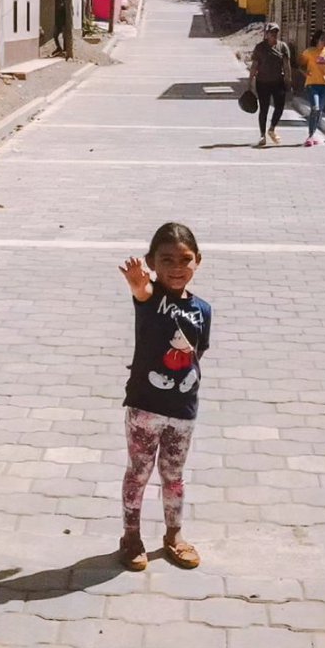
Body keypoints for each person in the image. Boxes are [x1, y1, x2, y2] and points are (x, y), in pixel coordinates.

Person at [116, 223, 212, 572]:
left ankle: (174, 535)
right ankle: (131, 537)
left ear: (198, 261)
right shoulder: (150, 297)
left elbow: (199, 353)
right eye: (166, 259)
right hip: (145, 407)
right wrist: (138, 284)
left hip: (183, 410)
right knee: (138, 473)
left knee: (174, 475)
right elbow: (142, 291)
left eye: (185, 259)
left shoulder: (203, 309)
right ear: (152, 263)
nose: (176, 267)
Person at [248, 22, 293, 147]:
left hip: (278, 82)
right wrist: (250, 82)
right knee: (264, 108)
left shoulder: (283, 47)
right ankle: (262, 135)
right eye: (272, 33)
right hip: (262, 83)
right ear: (266, 34)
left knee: (280, 107)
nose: (274, 35)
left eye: (276, 33)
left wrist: (288, 80)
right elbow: (254, 66)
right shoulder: (260, 48)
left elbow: (286, 66)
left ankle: (272, 128)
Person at [299, 28, 325, 147]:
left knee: (319, 111)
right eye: (322, 39)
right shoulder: (309, 52)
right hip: (312, 85)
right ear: (317, 40)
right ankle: (310, 135)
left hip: (324, 86)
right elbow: (300, 65)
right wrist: (305, 73)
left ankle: (313, 133)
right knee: (315, 108)